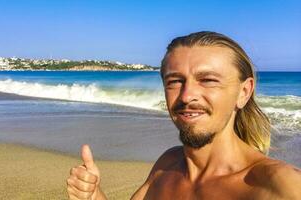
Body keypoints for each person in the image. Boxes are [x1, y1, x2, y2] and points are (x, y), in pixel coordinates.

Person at [66, 31, 301, 199]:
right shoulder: (167, 164)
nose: (187, 96)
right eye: (175, 81)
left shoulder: (279, 185)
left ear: (244, 92)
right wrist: (94, 196)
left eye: (208, 80)